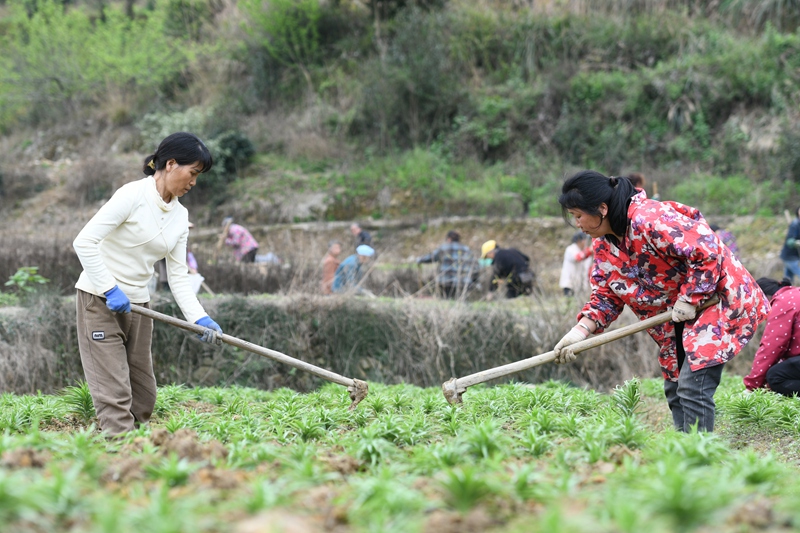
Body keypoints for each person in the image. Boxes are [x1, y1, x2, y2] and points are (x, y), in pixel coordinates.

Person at [553, 170, 768, 433]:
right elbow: (606, 296)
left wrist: (691, 297)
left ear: (602, 208)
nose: (577, 224)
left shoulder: (650, 219)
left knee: (692, 385)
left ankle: (701, 458)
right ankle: (682, 454)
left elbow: (706, 250)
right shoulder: (603, 247)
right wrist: (580, 331)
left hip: (715, 300)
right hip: (673, 317)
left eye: (578, 215)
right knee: (675, 387)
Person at [72, 132, 223, 437]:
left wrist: (198, 318)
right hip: (99, 300)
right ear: (170, 164)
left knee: (143, 393)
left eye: (198, 176)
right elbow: (84, 241)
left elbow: (179, 275)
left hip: (140, 307)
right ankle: (118, 452)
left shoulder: (180, 216)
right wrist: (109, 288)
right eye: (192, 173)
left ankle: (127, 447)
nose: (193, 182)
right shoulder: (132, 196)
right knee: (113, 391)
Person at [744, 278, 800, 396]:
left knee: (775, 377)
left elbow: (772, 346)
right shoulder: (795, 294)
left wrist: (752, 385)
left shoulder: (783, 301)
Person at [416, 230, 479, 298]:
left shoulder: (443, 248)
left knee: (446, 299)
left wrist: (419, 260)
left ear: (449, 239)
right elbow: (476, 266)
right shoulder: (467, 250)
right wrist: (473, 280)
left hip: (446, 283)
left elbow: (431, 257)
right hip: (463, 283)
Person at [559, 232, 593, 297]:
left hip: (580, 284)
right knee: (569, 302)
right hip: (569, 284)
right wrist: (590, 250)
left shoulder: (585, 251)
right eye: (584, 240)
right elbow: (577, 257)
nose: (586, 242)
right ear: (578, 241)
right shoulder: (571, 249)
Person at [779, 206, 800, 283]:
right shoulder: (794, 224)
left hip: (794, 256)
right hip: (790, 256)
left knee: (787, 280)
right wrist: (797, 243)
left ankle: (785, 292)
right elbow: (790, 241)